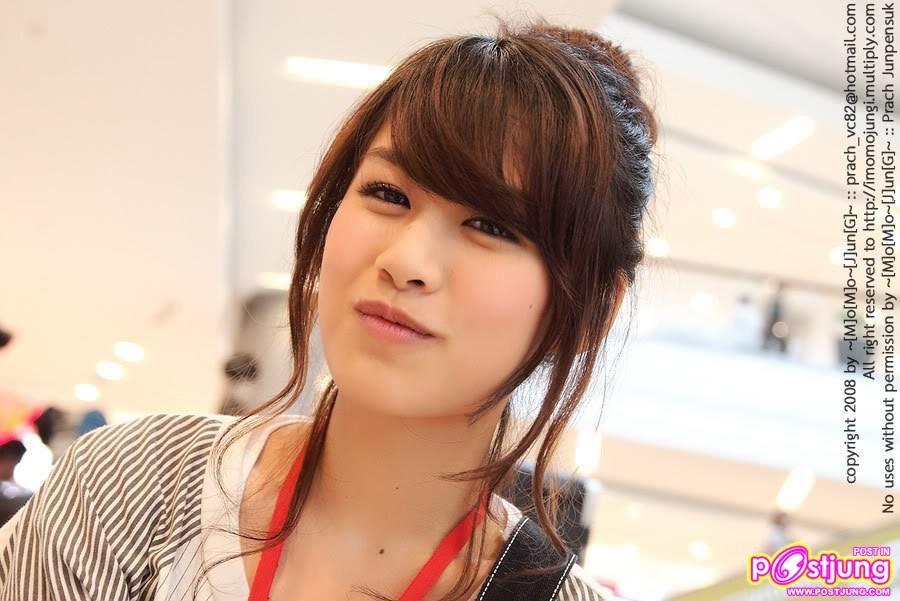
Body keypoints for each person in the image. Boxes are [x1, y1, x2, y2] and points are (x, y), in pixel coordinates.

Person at [0, 15, 658, 601]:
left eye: (490, 225)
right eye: (387, 194)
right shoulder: (131, 489)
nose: (406, 260)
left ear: (592, 310)